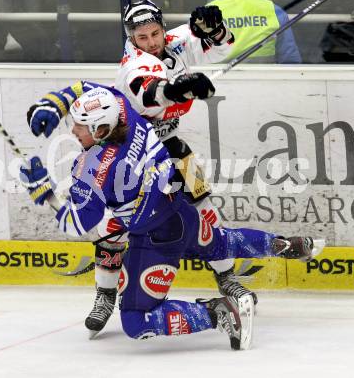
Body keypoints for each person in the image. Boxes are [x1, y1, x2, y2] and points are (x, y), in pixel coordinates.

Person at [20, 85, 324, 349]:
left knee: (135, 322)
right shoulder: (128, 113)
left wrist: (43, 192)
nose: (73, 130)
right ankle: (287, 245)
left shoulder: (90, 168)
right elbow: (97, 90)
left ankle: (220, 312)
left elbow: (76, 225)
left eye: (80, 126)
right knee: (223, 242)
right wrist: (56, 103)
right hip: (180, 214)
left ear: (101, 130)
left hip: (153, 240)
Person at [27, 0, 262, 337]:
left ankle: (226, 278)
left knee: (204, 210)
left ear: (163, 28)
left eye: (155, 34)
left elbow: (221, 49)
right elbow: (148, 93)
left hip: (172, 145)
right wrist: (177, 87)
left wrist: (216, 31)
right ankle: (106, 294)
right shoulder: (132, 64)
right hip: (132, 154)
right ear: (131, 39)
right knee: (114, 229)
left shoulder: (176, 41)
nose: (151, 43)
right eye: (142, 38)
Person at [205, 0, 301, 63]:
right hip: (265, 77)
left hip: (219, 78)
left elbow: (194, 60)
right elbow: (290, 60)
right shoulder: (274, 10)